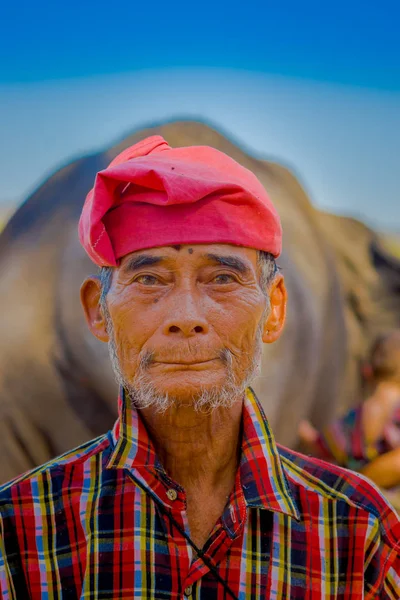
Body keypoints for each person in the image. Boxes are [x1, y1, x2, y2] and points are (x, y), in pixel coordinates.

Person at [0, 136, 399, 599]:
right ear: (98, 312)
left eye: (223, 279)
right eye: (149, 279)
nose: (186, 316)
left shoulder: (360, 532)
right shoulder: (17, 530)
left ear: (274, 309)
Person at [298, 331, 400, 495]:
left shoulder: (359, 415)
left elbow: (326, 446)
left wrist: (304, 430)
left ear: (368, 371)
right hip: (389, 505)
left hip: (359, 505)